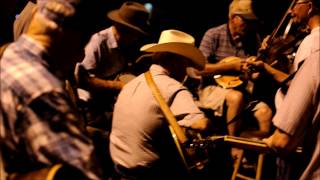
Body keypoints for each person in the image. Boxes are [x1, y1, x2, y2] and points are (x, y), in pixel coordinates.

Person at [0, 0, 109, 179]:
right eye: (82, 43)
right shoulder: (43, 92)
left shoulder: (7, 57)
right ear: (65, 34)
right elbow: (85, 174)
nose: (81, 55)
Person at [109, 29, 212, 179]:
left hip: (119, 168)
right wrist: (211, 124)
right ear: (176, 60)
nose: (186, 71)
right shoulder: (172, 87)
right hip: (148, 172)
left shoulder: (132, 83)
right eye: (186, 64)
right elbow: (201, 125)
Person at [198, 0, 273, 139]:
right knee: (236, 98)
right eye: (246, 20)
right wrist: (231, 66)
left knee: (265, 112)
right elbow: (199, 69)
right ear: (233, 18)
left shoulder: (252, 38)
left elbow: (253, 77)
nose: (249, 25)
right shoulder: (213, 34)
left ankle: (253, 152)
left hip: (241, 89)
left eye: (251, 21)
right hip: (210, 90)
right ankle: (235, 146)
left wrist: (259, 65)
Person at [76, 1, 150, 131]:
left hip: (106, 105)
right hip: (89, 109)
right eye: (136, 33)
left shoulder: (126, 46)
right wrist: (118, 86)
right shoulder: (98, 42)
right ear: (125, 28)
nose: (138, 37)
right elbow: (82, 80)